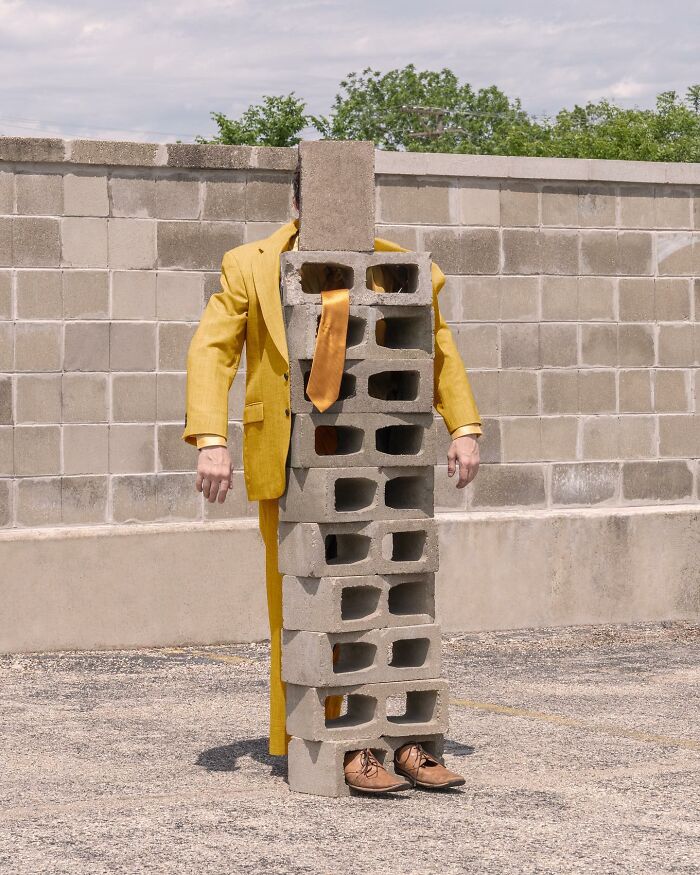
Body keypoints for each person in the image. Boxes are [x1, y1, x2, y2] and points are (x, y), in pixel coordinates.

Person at [182, 160, 482, 794]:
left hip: (382, 456)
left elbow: (440, 346)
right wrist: (211, 438)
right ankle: (342, 742)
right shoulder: (250, 264)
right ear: (299, 203)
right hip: (294, 457)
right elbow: (212, 348)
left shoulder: (400, 267)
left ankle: (404, 740)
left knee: (393, 596)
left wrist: (464, 427)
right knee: (312, 603)